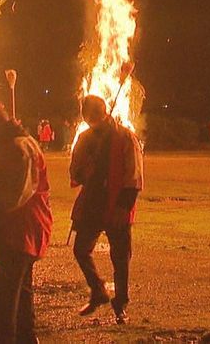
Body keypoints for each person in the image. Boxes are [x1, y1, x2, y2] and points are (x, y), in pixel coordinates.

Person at [0, 108, 52, 343]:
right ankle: (26, 337)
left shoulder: (17, 147)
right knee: (22, 290)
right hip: (28, 225)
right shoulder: (20, 142)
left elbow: (17, 194)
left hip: (23, 226)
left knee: (5, 295)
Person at [70, 95, 144, 325]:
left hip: (116, 204)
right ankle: (98, 290)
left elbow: (134, 175)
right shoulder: (84, 138)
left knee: (120, 258)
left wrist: (124, 207)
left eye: (90, 114)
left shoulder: (124, 137)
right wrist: (85, 170)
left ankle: (120, 303)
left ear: (100, 112)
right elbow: (75, 171)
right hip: (93, 203)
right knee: (81, 250)